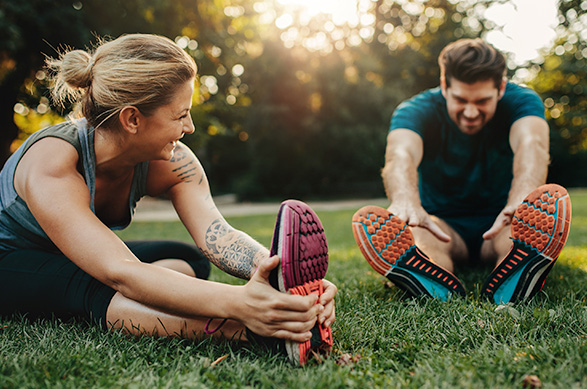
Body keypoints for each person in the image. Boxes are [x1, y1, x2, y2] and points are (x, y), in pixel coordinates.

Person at [0, 34, 336, 366]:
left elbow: (217, 236)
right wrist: (242, 304)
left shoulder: (174, 161)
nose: (189, 126)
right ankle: (250, 332)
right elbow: (120, 270)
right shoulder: (53, 162)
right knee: (102, 284)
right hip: (11, 261)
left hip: (73, 258)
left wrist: (283, 280)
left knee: (188, 260)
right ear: (132, 119)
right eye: (180, 115)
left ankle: (141, 301)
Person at [352, 38, 571, 303]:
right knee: (420, 234)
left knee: (517, 236)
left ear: (501, 88)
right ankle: (432, 277)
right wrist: (405, 201)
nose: (470, 111)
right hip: (442, 226)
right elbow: (401, 154)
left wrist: (521, 200)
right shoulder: (414, 110)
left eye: (481, 101)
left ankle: (517, 273)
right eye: (460, 99)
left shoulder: (522, 101)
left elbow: (531, 144)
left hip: (501, 220)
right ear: (444, 86)